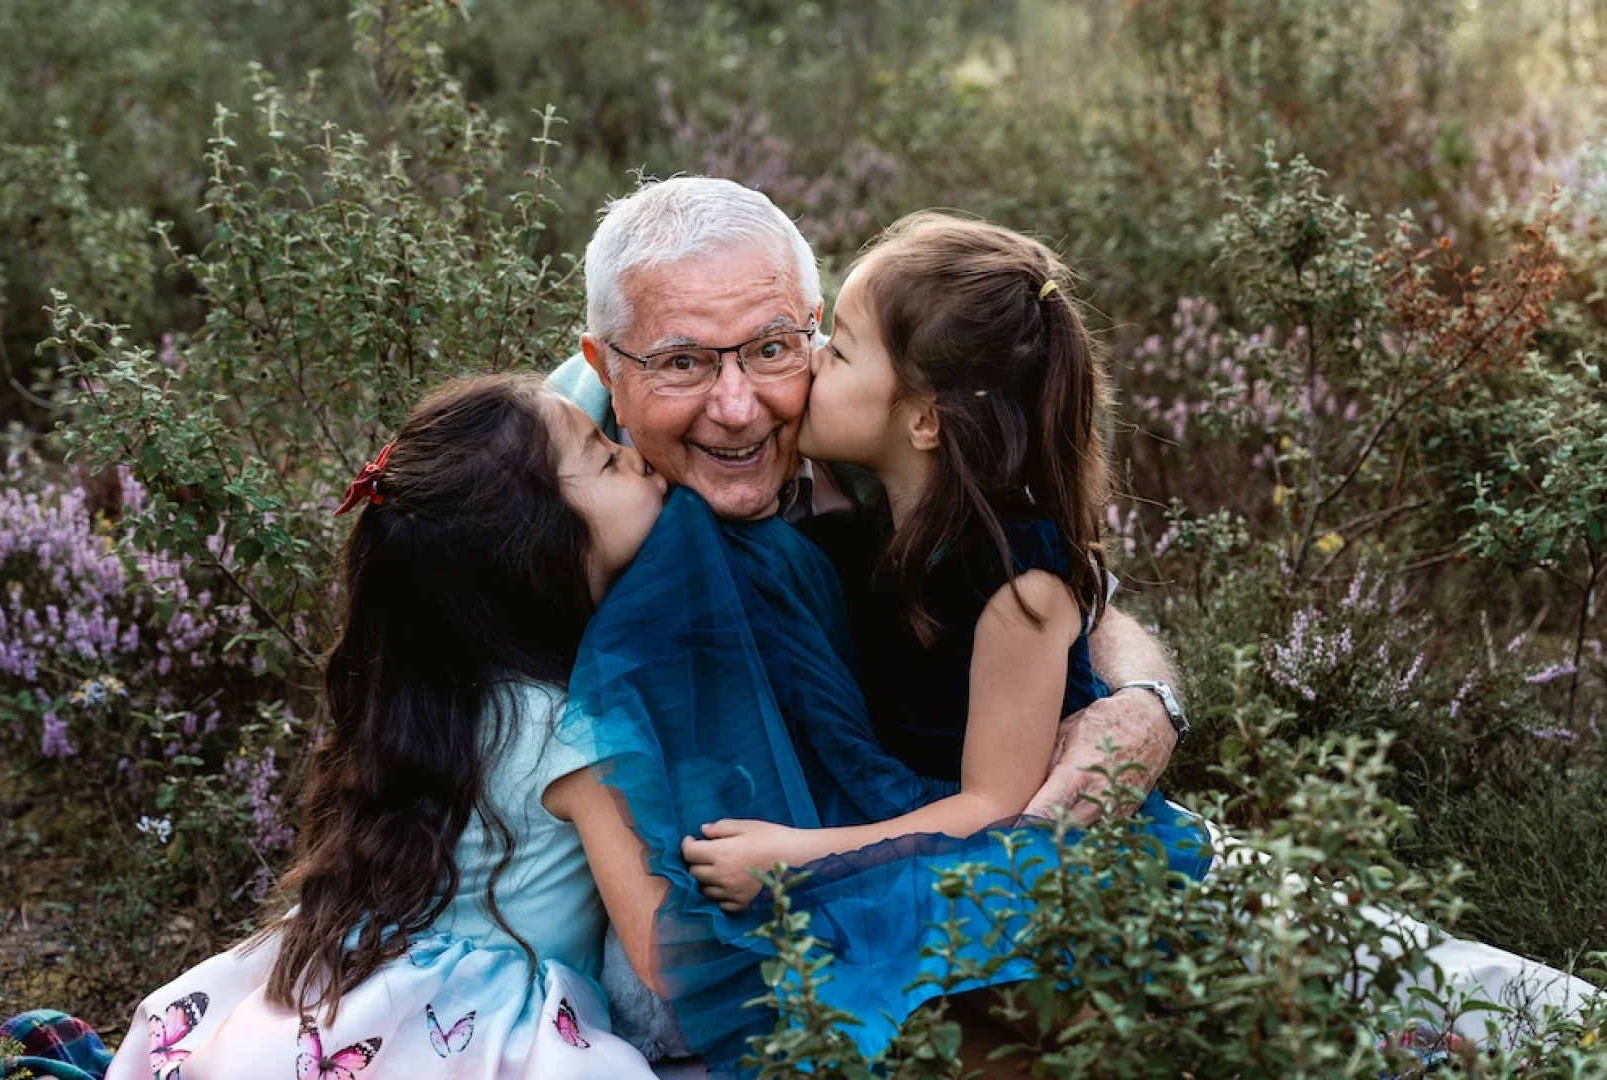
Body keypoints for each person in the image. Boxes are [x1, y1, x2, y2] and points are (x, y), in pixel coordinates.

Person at [546, 177, 1193, 824]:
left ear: (812, 325)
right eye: (682, 362)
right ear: (605, 366)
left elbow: (1069, 600)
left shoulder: (879, 438)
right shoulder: (531, 477)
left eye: (772, 347)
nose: (738, 410)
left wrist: (1146, 701)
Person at [108, 375, 688, 1079]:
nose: (636, 456)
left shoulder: (439, 695)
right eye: (604, 455)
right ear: (535, 544)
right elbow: (660, 953)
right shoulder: (573, 733)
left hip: (348, 990)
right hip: (481, 1036)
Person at [679, 211, 1176, 908]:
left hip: (1006, 879)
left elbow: (993, 811)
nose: (812, 358)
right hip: (907, 836)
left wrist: (800, 860)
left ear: (923, 420)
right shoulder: (880, 518)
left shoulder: (1018, 592)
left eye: (841, 350)